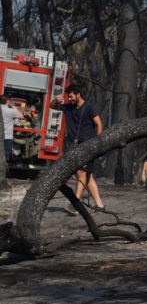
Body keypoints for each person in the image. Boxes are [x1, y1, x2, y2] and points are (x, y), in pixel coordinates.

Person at [50, 84, 104, 214]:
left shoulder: (89, 107)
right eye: (68, 97)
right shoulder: (69, 107)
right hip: (74, 146)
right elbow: (52, 106)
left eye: (71, 96)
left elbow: (99, 124)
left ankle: (75, 204)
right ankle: (100, 205)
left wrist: (97, 143)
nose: (69, 99)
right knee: (87, 176)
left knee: (81, 173)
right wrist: (56, 100)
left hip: (88, 146)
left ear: (78, 94)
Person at [1, 95, 22, 161]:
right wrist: (16, 109)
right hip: (7, 137)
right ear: (7, 101)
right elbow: (21, 116)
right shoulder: (11, 111)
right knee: (5, 156)